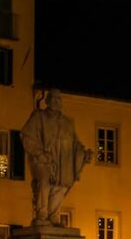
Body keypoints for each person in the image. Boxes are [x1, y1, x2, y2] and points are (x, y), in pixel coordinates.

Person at [20, 89, 93, 224]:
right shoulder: (38, 116)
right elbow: (27, 136)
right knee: (44, 181)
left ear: (61, 103)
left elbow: (75, 144)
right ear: (47, 101)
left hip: (62, 161)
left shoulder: (67, 123)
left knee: (62, 185)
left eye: (58, 99)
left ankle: (54, 216)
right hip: (43, 159)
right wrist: (39, 153)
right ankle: (42, 214)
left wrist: (84, 154)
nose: (55, 101)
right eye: (52, 98)